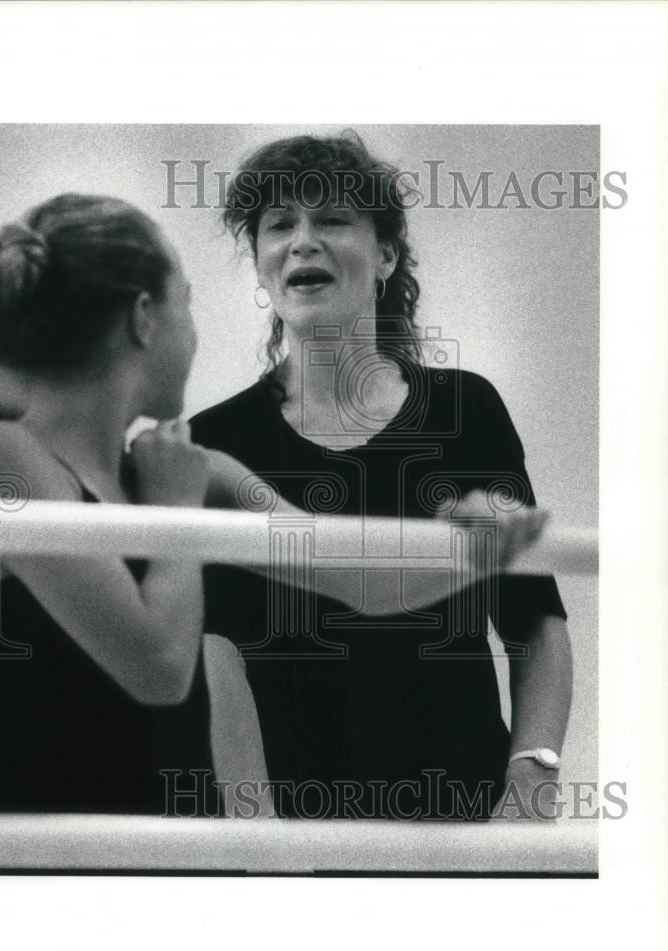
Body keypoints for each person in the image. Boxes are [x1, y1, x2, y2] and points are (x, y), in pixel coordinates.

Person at [191, 133, 573, 820]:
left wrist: (533, 776)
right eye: (280, 225)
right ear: (260, 266)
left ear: (386, 257)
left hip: (464, 820)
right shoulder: (218, 440)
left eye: (332, 219)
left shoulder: (466, 408)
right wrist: (259, 845)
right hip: (298, 835)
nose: (303, 241)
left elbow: (535, 622)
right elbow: (221, 660)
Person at [0, 193, 224, 815]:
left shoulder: (167, 471)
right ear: (145, 317)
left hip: (181, 873)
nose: (195, 333)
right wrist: (177, 518)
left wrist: (482, 530)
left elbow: (367, 579)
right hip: (44, 876)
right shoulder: (1, 456)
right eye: (187, 302)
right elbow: (158, 669)